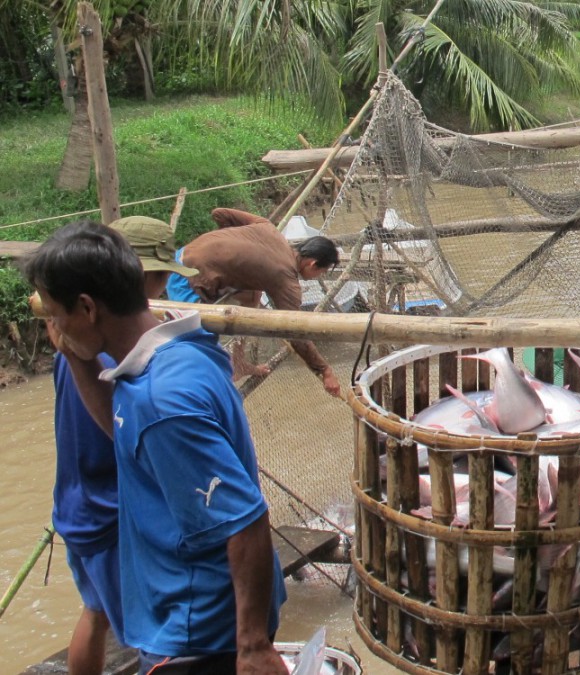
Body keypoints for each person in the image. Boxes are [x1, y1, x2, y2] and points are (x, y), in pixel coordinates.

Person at [25, 221, 288, 675]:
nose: (54, 325)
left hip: (198, 629)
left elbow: (246, 519)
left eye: (55, 314)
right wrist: (76, 358)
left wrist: (252, 646)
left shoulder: (163, 401)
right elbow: (130, 438)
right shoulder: (176, 352)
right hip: (191, 612)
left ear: (86, 308)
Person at [48, 216, 197, 675]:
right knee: (152, 638)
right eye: (160, 278)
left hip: (76, 504)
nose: (166, 287)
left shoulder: (75, 340)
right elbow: (131, 438)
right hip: (113, 515)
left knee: (95, 614)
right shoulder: (114, 354)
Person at [166, 207, 342, 396]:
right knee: (195, 346)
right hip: (187, 278)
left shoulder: (268, 228)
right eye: (321, 272)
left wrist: (227, 247)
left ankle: (239, 361)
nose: (318, 276)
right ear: (312, 264)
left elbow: (219, 213)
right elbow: (294, 331)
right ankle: (186, 393)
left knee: (253, 294)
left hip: (183, 253)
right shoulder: (285, 280)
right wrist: (325, 370)